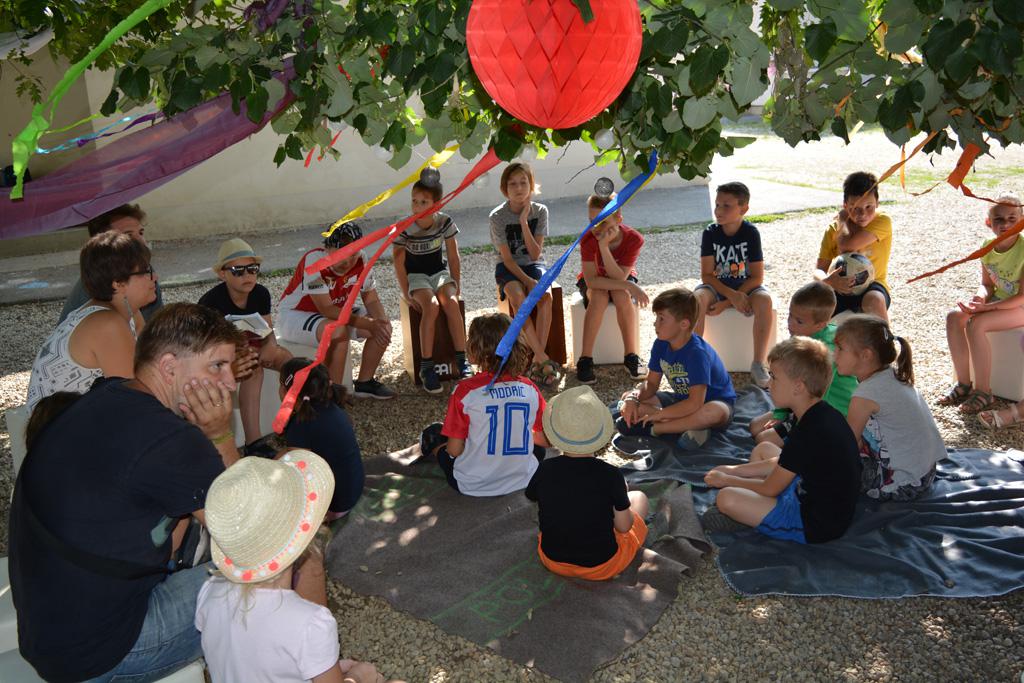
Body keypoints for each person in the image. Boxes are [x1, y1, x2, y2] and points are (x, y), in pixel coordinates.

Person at [9, 303, 242, 683]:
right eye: (217, 365)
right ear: (169, 367)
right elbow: (251, 535)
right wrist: (220, 435)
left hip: (48, 634)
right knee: (276, 573)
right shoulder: (171, 439)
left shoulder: (104, 395)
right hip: (104, 651)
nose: (230, 382)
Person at [196, 453, 395, 683]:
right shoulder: (310, 624)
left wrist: (325, 667)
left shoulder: (210, 591)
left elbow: (258, 663)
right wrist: (358, 677)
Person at [702, 337, 862, 543]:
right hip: (811, 490)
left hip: (813, 522)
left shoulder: (808, 431)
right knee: (764, 448)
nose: (769, 384)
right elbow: (784, 462)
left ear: (798, 387)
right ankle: (754, 508)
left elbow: (770, 488)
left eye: (774, 377)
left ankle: (751, 513)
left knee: (726, 498)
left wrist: (726, 479)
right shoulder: (818, 413)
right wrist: (734, 470)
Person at [525, 385, 649, 580]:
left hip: (552, 559)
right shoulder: (611, 475)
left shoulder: (545, 468)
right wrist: (619, 496)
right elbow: (624, 527)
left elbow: (532, 495)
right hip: (601, 566)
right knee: (639, 498)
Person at [26, 231, 157, 410]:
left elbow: (149, 360)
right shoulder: (106, 325)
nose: (155, 277)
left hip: (75, 418)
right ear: (118, 283)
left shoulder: (125, 312)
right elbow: (135, 400)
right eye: (146, 272)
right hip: (62, 425)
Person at [422, 312, 547, 495]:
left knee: (436, 436)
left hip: (473, 484)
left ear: (475, 350)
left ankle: (434, 447)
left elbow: (454, 450)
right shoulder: (530, 389)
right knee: (538, 450)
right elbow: (545, 440)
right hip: (523, 478)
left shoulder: (465, 391)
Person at [278, 222, 395, 399]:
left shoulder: (362, 259)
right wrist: (370, 324)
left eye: (353, 254)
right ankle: (332, 397)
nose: (347, 261)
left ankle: (364, 382)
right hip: (296, 314)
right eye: (340, 255)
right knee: (337, 332)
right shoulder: (315, 261)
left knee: (385, 326)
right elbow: (327, 309)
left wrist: (381, 323)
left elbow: (371, 298)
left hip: (336, 312)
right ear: (327, 249)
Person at [834, 314, 945, 500]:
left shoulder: (865, 394)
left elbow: (847, 444)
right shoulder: (891, 374)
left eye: (840, 349)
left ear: (866, 355)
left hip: (902, 482)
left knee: (824, 465)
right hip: (925, 472)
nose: (834, 354)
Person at [199, 238, 293, 443]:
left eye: (252, 269)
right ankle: (254, 441)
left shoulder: (260, 294)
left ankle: (295, 422)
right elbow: (207, 348)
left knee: (290, 363)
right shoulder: (210, 303)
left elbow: (267, 331)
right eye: (238, 271)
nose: (247, 275)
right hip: (224, 356)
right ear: (222, 274)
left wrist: (271, 345)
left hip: (253, 346)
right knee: (253, 369)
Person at [616, 287, 736, 446]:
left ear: (684, 324)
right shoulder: (660, 344)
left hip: (713, 403)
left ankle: (657, 429)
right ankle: (690, 428)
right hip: (681, 400)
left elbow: (695, 403)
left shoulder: (697, 354)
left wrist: (660, 415)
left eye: (661, 319)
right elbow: (651, 384)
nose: (655, 323)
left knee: (712, 413)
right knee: (627, 399)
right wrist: (633, 398)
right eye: (656, 317)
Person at [940, 196, 1024, 414]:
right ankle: (963, 383)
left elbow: (1021, 297)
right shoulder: (987, 247)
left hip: (1020, 307)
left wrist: (987, 308)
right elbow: (987, 285)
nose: (1005, 224)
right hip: (1000, 302)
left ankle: (984, 391)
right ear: (989, 222)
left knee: (977, 324)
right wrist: (979, 299)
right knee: (954, 317)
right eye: (999, 219)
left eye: (1012, 219)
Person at [749, 281, 859, 446]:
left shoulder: (823, 354)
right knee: (754, 426)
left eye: (799, 321)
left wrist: (795, 424)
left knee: (763, 439)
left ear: (820, 325)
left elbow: (818, 402)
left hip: (832, 412)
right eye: (790, 315)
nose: (790, 323)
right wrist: (780, 414)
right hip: (801, 402)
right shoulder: (803, 336)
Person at [393, 170, 470, 393]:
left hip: (438, 272)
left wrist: (456, 283)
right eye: (414, 201)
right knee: (432, 306)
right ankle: (426, 367)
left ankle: (462, 360)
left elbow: (453, 256)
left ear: (436, 204)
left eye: (423, 202)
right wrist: (406, 292)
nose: (417, 206)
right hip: (416, 276)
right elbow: (398, 262)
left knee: (451, 302)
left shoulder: (444, 221)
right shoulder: (404, 227)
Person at [694, 182, 775, 388]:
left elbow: (757, 277)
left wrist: (729, 301)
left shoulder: (751, 233)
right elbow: (706, 275)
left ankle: (758, 363)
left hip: (745, 287)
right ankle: (695, 360)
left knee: (765, 300)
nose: (718, 211)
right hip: (717, 287)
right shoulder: (710, 233)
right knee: (697, 299)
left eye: (726, 206)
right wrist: (730, 296)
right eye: (717, 205)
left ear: (743, 209)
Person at [489, 161, 561, 387]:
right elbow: (507, 259)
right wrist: (527, 281)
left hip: (533, 263)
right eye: (513, 184)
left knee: (545, 297)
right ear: (505, 188)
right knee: (518, 297)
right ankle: (542, 359)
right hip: (508, 267)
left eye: (523, 182)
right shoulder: (497, 216)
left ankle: (536, 360)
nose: (519, 188)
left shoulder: (540, 211)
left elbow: (535, 253)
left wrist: (523, 222)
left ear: (531, 185)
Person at [574, 191, 650, 385]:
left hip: (620, 277)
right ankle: (585, 358)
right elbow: (592, 281)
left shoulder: (633, 239)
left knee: (621, 295)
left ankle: (631, 355)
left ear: (618, 219)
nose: (596, 228)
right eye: (592, 221)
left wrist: (604, 247)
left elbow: (619, 277)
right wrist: (629, 285)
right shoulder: (587, 239)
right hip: (595, 281)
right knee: (599, 296)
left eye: (603, 221)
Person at [279, 358, 365, 517]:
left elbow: (298, 473)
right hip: (353, 491)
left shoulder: (299, 426)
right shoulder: (332, 405)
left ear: (286, 392)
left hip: (334, 505)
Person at [59, 203, 163, 323]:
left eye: (140, 233)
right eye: (128, 235)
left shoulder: (144, 271)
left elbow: (156, 324)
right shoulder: (97, 288)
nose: (141, 241)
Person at [813, 171, 893, 322]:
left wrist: (844, 218)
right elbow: (819, 270)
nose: (862, 214)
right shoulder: (832, 230)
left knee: (874, 299)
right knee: (811, 306)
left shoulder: (882, 221)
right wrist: (828, 280)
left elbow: (846, 246)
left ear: (877, 203)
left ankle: (884, 336)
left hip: (873, 285)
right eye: (855, 207)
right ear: (845, 205)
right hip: (839, 288)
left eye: (869, 206)